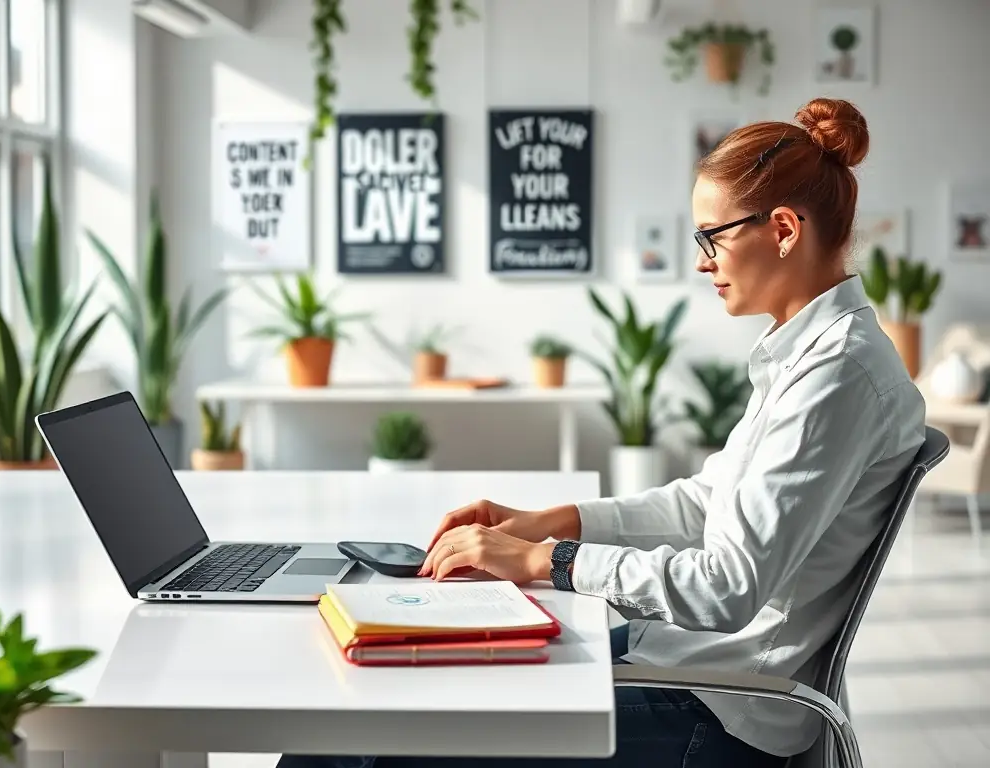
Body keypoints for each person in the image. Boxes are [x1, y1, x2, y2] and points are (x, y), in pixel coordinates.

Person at [277, 97, 927, 767]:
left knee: (356, 742)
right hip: (685, 668)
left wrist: (544, 562)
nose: (703, 261)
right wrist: (546, 522)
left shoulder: (838, 376)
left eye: (713, 236)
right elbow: (705, 506)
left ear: (784, 228)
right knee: (365, 706)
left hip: (714, 712)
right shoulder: (811, 355)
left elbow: (727, 587)